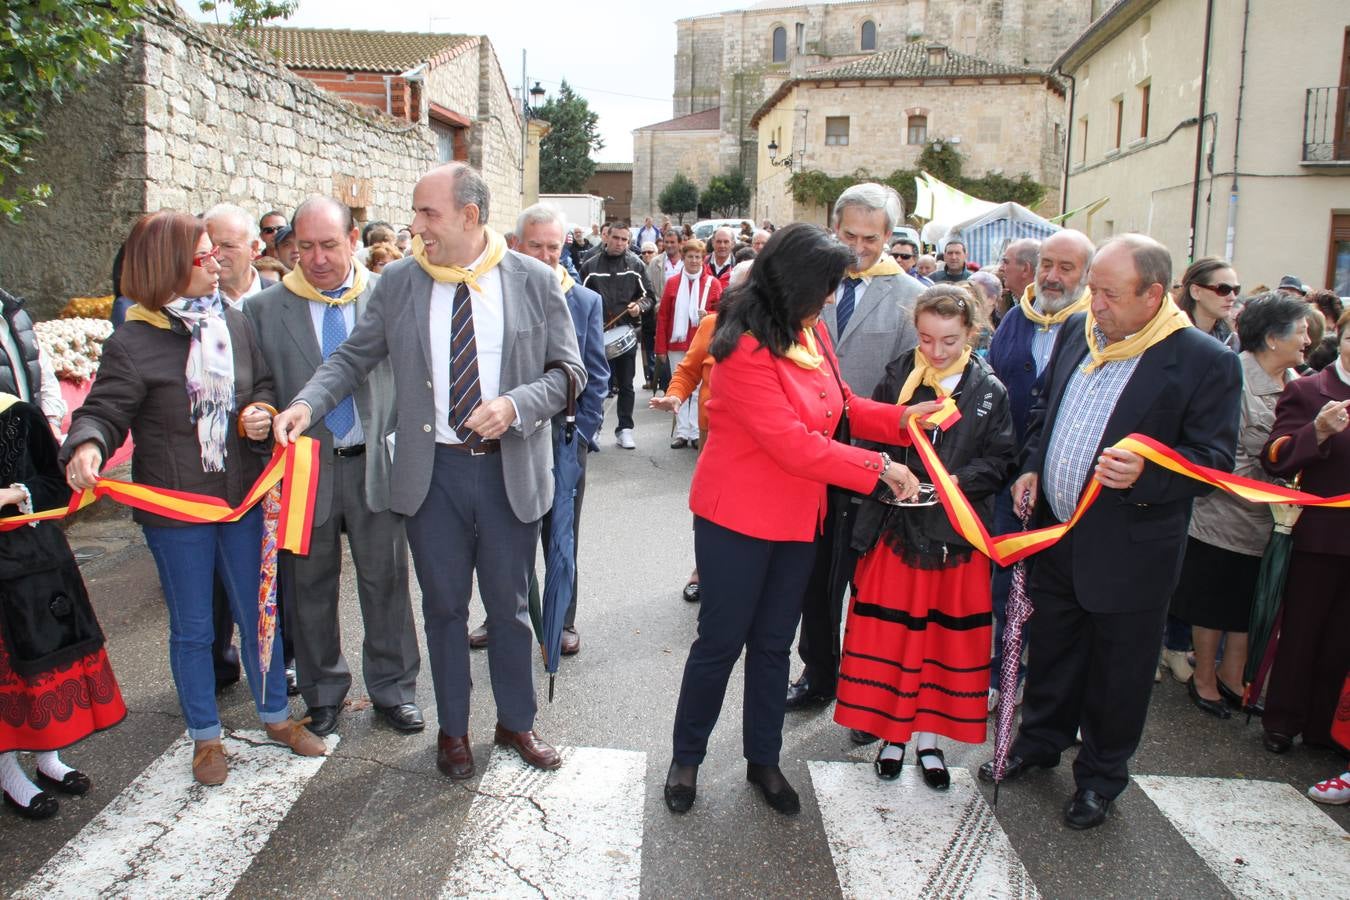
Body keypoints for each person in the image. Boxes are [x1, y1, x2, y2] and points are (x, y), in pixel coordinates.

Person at [271, 163, 585, 781]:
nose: (416, 227)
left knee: (510, 609)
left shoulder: (534, 281)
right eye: (414, 214)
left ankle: (516, 723)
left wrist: (516, 406)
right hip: (432, 473)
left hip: (509, 472)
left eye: (427, 213)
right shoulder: (400, 285)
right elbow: (351, 357)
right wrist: (306, 404)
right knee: (443, 608)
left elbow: (569, 373)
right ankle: (454, 731)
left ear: (470, 215)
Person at [977, 233, 1241, 831]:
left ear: (1153, 295)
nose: (1094, 304)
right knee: (1053, 652)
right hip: (1058, 532)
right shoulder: (1080, 331)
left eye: (1108, 294)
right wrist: (1032, 468)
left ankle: (1099, 778)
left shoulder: (1203, 359)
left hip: (1131, 550)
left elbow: (1214, 460)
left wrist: (1149, 473)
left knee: (1118, 673)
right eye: (1092, 290)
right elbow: (1045, 411)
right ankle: (1038, 744)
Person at [664, 223, 920, 817]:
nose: (833, 298)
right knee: (721, 643)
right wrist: (880, 467)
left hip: (799, 516)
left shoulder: (808, 331)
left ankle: (763, 759)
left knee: (775, 645)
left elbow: (846, 407)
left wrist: (909, 420)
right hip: (738, 519)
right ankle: (687, 756)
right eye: (827, 286)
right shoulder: (744, 348)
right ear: (798, 283)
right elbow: (793, 443)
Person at [62, 210, 325, 786]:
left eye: (215, 252)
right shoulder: (133, 341)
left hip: (242, 498)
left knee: (261, 611)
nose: (217, 262)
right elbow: (103, 411)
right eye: (202, 256)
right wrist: (85, 446)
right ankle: (206, 737)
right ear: (167, 268)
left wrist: (258, 412)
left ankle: (276, 716)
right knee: (194, 627)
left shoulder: (233, 322)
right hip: (177, 511)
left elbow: (258, 387)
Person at [242, 197, 423, 739]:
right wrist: (260, 412)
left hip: (376, 465)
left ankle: (394, 690)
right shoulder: (265, 309)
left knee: (386, 582)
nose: (317, 258)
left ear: (352, 240)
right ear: (290, 246)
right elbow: (262, 386)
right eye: (304, 247)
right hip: (305, 471)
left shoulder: (390, 297)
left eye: (328, 245)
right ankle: (322, 693)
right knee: (309, 587)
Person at [835, 285, 1015, 787]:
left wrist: (956, 483)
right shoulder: (898, 375)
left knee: (943, 639)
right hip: (896, 529)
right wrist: (890, 472)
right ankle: (893, 735)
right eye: (927, 339)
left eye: (950, 341)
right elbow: (870, 436)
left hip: (956, 536)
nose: (936, 352)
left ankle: (931, 743)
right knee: (896, 636)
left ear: (972, 334)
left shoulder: (990, 390)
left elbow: (1002, 459)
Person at [785, 184, 921, 734]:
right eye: (850, 235)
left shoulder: (912, 296)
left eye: (872, 238)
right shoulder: (804, 286)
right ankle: (819, 674)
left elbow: (907, 388)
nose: (860, 248)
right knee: (815, 582)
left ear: (890, 238)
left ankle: (868, 695)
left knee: (871, 588)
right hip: (809, 465)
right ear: (832, 228)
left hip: (874, 467)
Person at [469, 203, 609, 656]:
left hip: (564, 441)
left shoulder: (585, 300)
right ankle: (502, 613)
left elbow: (595, 373)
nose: (547, 256)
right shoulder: (496, 296)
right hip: (509, 439)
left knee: (561, 535)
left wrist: (581, 435)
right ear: (515, 245)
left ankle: (560, 622)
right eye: (537, 246)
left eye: (554, 247)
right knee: (505, 533)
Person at [1170, 292, 1309, 719]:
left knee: (1249, 601)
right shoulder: (1237, 377)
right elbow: (1226, 453)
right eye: (1301, 331)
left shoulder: (1299, 384)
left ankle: (1234, 676)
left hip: (1271, 519)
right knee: (1214, 600)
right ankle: (1205, 678)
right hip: (1226, 512)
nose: (1308, 339)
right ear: (1271, 338)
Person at [0, 394, 126, 820]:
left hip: (33, 566)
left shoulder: (14, 413)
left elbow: (57, 484)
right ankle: (8, 771)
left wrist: (13, 494)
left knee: (43, 661)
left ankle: (47, 757)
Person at [986, 229, 1095, 708]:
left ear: (1086, 276)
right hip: (1011, 477)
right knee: (1004, 583)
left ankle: (1051, 695)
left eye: (1065, 268)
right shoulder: (1016, 319)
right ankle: (1000, 675)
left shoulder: (1098, 325)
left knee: (1058, 597)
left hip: (1071, 488)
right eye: (1047, 264)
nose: (1052, 277)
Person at [1259, 309, 1350, 755]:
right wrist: (1317, 431)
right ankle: (1281, 720)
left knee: (1342, 641)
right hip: (1319, 535)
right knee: (1302, 632)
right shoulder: (1309, 389)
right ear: (1339, 337)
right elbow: (1275, 456)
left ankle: (1323, 727)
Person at [579, 221, 653, 450]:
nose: (620, 243)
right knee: (596, 384)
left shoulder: (635, 265)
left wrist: (638, 307)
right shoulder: (589, 266)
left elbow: (649, 297)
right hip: (596, 335)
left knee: (627, 384)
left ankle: (624, 429)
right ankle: (594, 428)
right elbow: (578, 298)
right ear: (606, 238)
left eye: (625, 239)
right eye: (617, 238)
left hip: (625, 334)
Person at [655, 238, 722, 449]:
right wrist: (661, 348)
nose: (694, 261)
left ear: (703, 259)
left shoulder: (713, 283)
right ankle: (682, 431)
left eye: (698, 257)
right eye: (690, 257)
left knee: (699, 389)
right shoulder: (673, 282)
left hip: (703, 343)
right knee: (680, 386)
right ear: (683, 258)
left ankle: (695, 431)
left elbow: (723, 314)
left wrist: (709, 314)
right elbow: (664, 316)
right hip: (677, 342)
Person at [204, 204, 274, 304]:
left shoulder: (284, 299)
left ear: (253, 249)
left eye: (228, 246)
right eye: (210, 246)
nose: (217, 256)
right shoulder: (192, 306)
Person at [1177, 257, 1241, 349]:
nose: (1232, 297)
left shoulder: (1230, 340)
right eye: (1223, 289)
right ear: (1196, 292)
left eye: (1236, 290)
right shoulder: (1171, 337)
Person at [995, 237, 1039, 319]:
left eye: (1006, 262)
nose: (1001, 268)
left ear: (1025, 269)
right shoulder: (1007, 301)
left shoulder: (1041, 312)